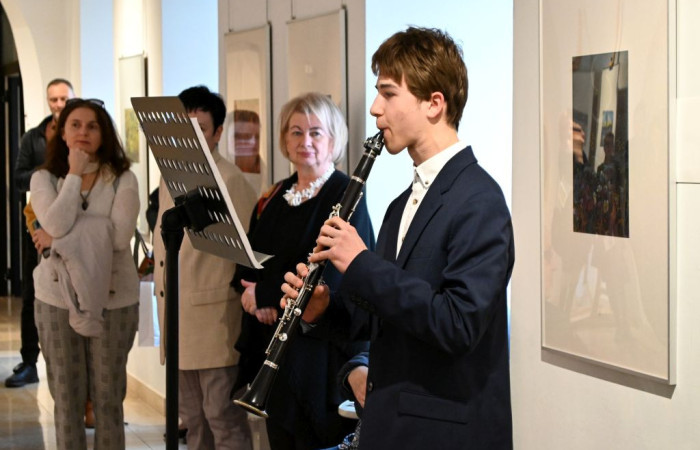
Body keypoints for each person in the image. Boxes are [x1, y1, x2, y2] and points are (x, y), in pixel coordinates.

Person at [282, 27, 515, 449]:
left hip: (443, 435)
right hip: (393, 426)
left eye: (388, 94)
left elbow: (458, 325)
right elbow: (381, 319)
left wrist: (361, 263)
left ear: (434, 104)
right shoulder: (401, 204)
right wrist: (323, 310)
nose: (375, 109)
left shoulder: (479, 200)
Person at [233, 92, 374, 450]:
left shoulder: (346, 194)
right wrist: (253, 295)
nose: (305, 141)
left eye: (315, 132)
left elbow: (331, 276)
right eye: (296, 132)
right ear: (284, 139)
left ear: (333, 140)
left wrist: (266, 295)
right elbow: (251, 258)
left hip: (317, 355)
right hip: (274, 348)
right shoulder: (276, 195)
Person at [30, 97, 140, 449]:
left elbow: (119, 237)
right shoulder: (44, 178)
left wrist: (58, 240)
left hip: (113, 299)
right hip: (56, 299)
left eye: (92, 126)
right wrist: (74, 175)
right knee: (67, 402)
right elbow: (55, 222)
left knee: (108, 401)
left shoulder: (123, 178)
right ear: (61, 132)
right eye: (75, 125)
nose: (83, 132)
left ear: (104, 133)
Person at [152, 85, 257, 450]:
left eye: (201, 128)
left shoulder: (230, 180)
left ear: (217, 132)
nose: (191, 137)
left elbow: (247, 253)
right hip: (176, 319)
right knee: (193, 422)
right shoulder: (170, 175)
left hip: (214, 324)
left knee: (222, 420)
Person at [7, 78, 74, 388]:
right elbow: (18, 178)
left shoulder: (82, 134)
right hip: (37, 223)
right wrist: (44, 174)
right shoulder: (33, 137)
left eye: (64, 99)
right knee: (32, 294)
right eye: (53, 100)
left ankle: (68, 362)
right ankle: (29, 361)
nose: (58, 105)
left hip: (71, 225)